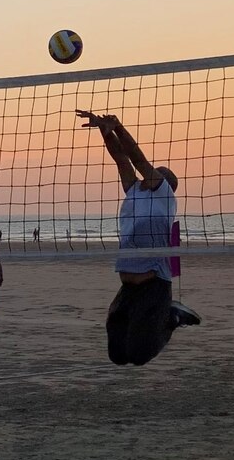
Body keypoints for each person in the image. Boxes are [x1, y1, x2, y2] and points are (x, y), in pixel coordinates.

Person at [78, 110, 200, 366]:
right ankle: (167, 316)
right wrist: (104, 130)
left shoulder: (164, 194)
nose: (149, 173)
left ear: (163, 180)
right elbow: (121, 159)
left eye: (156, 172)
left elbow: (137, 157)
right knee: (118, 355)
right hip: (128, 284)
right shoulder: (134, 190)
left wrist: (119, 127)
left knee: (139, 355)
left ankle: (172, 317)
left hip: (154, 285)